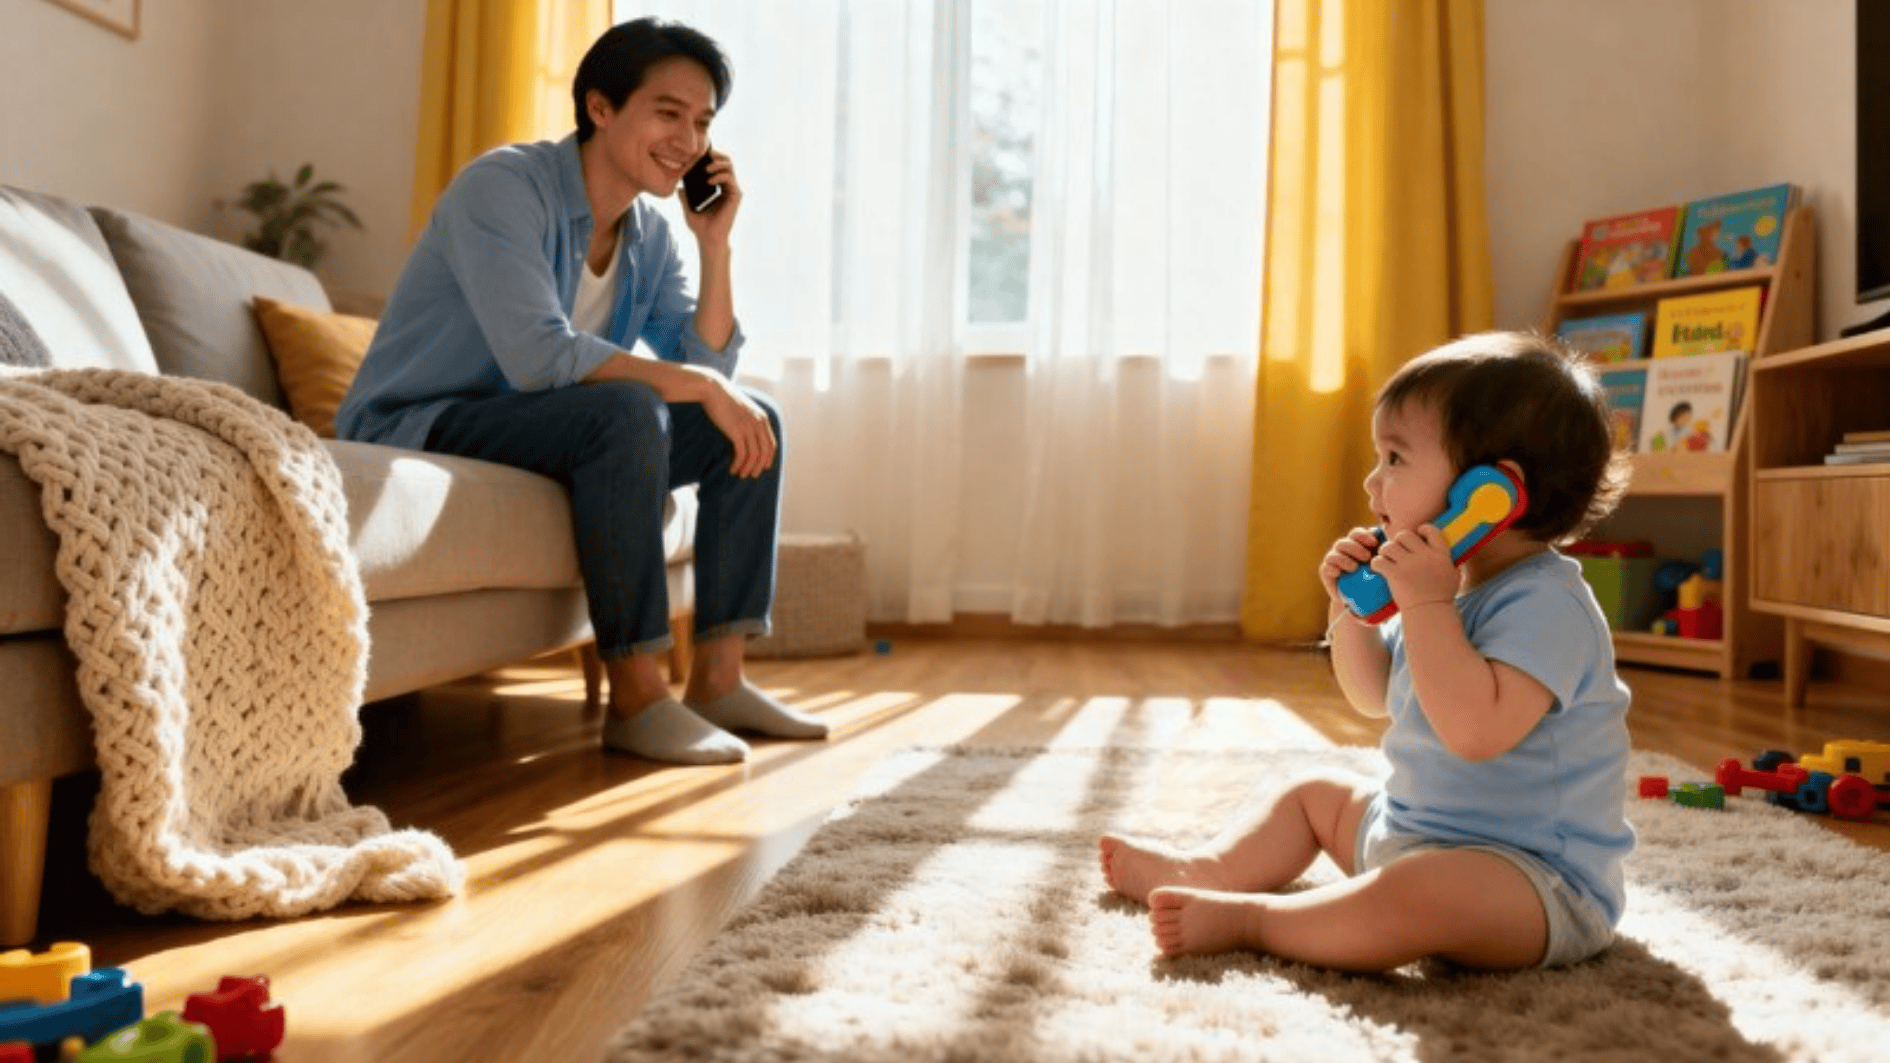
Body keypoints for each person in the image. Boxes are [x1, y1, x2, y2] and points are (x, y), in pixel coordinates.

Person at [336, 18, 827, 765]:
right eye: (668, 113)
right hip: (426, 419)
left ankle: (719, 683)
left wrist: (715, 244)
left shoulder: (650, 237)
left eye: (701, 122)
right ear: (600, 107)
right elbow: (539, 357)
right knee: (626, 409)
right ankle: (637, 700)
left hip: (541, 425)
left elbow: (708, 374)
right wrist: (693, 382)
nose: (689, 140)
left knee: (753, 420)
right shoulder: (502, 188)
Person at [1099, 331, 1635, 972]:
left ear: (1491, 493)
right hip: (1408, 832)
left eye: (1396, 459)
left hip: (1532, 884)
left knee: (1420, 892)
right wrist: (1351, 614)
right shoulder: (1438, 581)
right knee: (1310, 792)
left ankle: (1256, 922)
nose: (1371, 480)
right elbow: (1375, 695)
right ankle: (1205, 867)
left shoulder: (1548, 606)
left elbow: (1473, 731)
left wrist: (1426, 607)